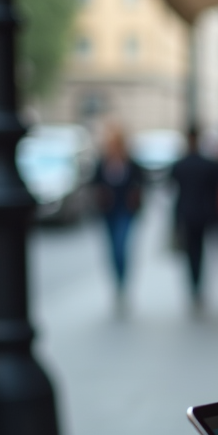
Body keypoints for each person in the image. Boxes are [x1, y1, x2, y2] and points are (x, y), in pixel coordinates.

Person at [90, 126, 145, 311]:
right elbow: (95, 183)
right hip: (109, 212)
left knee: (121, 247)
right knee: (112, 249)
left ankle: (123, 283)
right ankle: (117, 283)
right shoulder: (102, 163)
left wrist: (134, 197)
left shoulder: (130, 163)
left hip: (125, 211)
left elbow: (140, 183)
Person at [171, 127, 218, 312]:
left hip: (187, 214)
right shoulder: (209, 165)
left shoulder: (180, 165)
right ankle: (197, 286)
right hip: (204, 214)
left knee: (191, 253)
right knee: (199, 251)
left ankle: (194, 286)